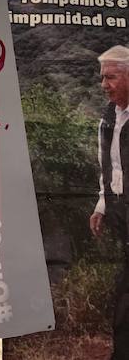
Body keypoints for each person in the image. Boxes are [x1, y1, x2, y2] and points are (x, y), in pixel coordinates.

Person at [89, 45, 129, 360]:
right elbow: (109, 166)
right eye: (103, 77)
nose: (104, 84)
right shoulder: (109, 116)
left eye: (111, 77)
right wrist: (102, 205)